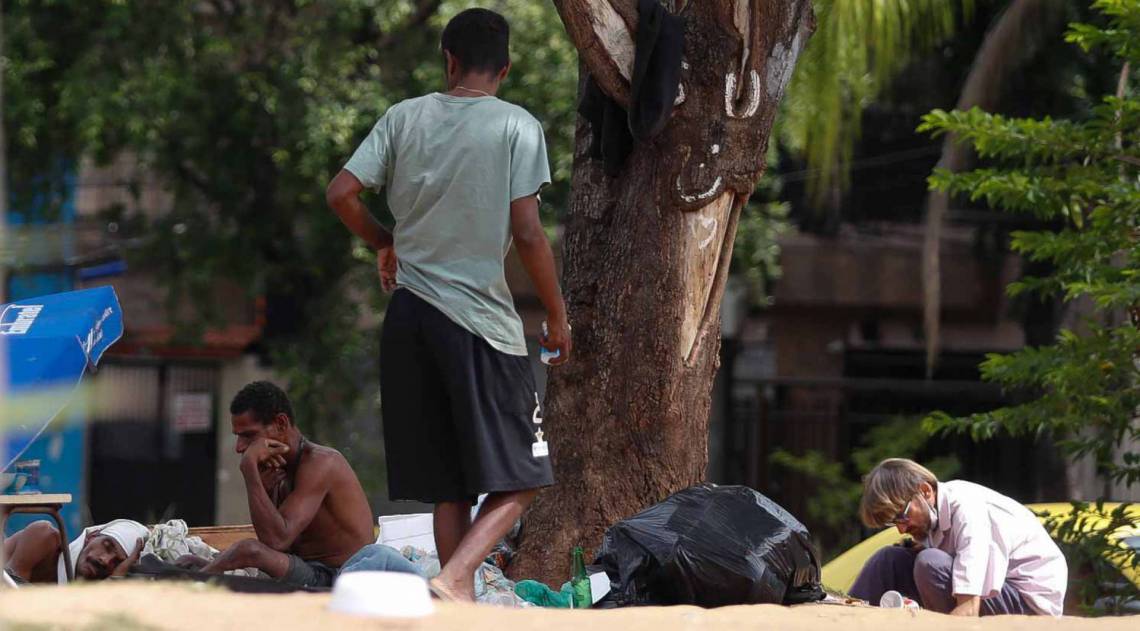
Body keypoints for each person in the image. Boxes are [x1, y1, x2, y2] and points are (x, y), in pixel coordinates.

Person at [325, 7, 570, 602]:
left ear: (449, 60)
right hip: (479, 325)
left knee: (450, 482)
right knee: (528, 473)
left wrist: (384, 240)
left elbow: (342, 193)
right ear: (505, 69)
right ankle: (455, 577)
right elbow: (528, 232)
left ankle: (459, 601)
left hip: (409, 319)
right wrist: (558, 315)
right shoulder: (517, 126)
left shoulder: (403, 117)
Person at [186, 381, 381, 587]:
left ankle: (188, 585)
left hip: (339, 576)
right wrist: (265, 490)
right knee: (192, 559)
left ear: (280, 423)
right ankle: (199, 573)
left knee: (247, 550)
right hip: (308, 568)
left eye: (249, 435)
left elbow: (276, 541)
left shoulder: (322, 463)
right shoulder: (280, 469)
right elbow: (275, 545)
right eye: (238, 437)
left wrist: (249, 470)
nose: (240, 447)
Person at [850, 458, 1067, 616]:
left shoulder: (969, 510)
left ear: (925, 491)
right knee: (889, 559)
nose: (901, 528)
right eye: (894, 522)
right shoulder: (932, 519)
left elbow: (969, 606)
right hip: (995, 594)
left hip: (1029, 605)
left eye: (902, 516)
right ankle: (846, 614)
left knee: (929, 563)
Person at [3, 518, 147, 585]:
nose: (104, 560)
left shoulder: (88, 593)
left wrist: (114, 580)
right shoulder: (44, 536)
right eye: (107, 546)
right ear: (91, 537)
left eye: (116, 563)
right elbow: (9, 597)